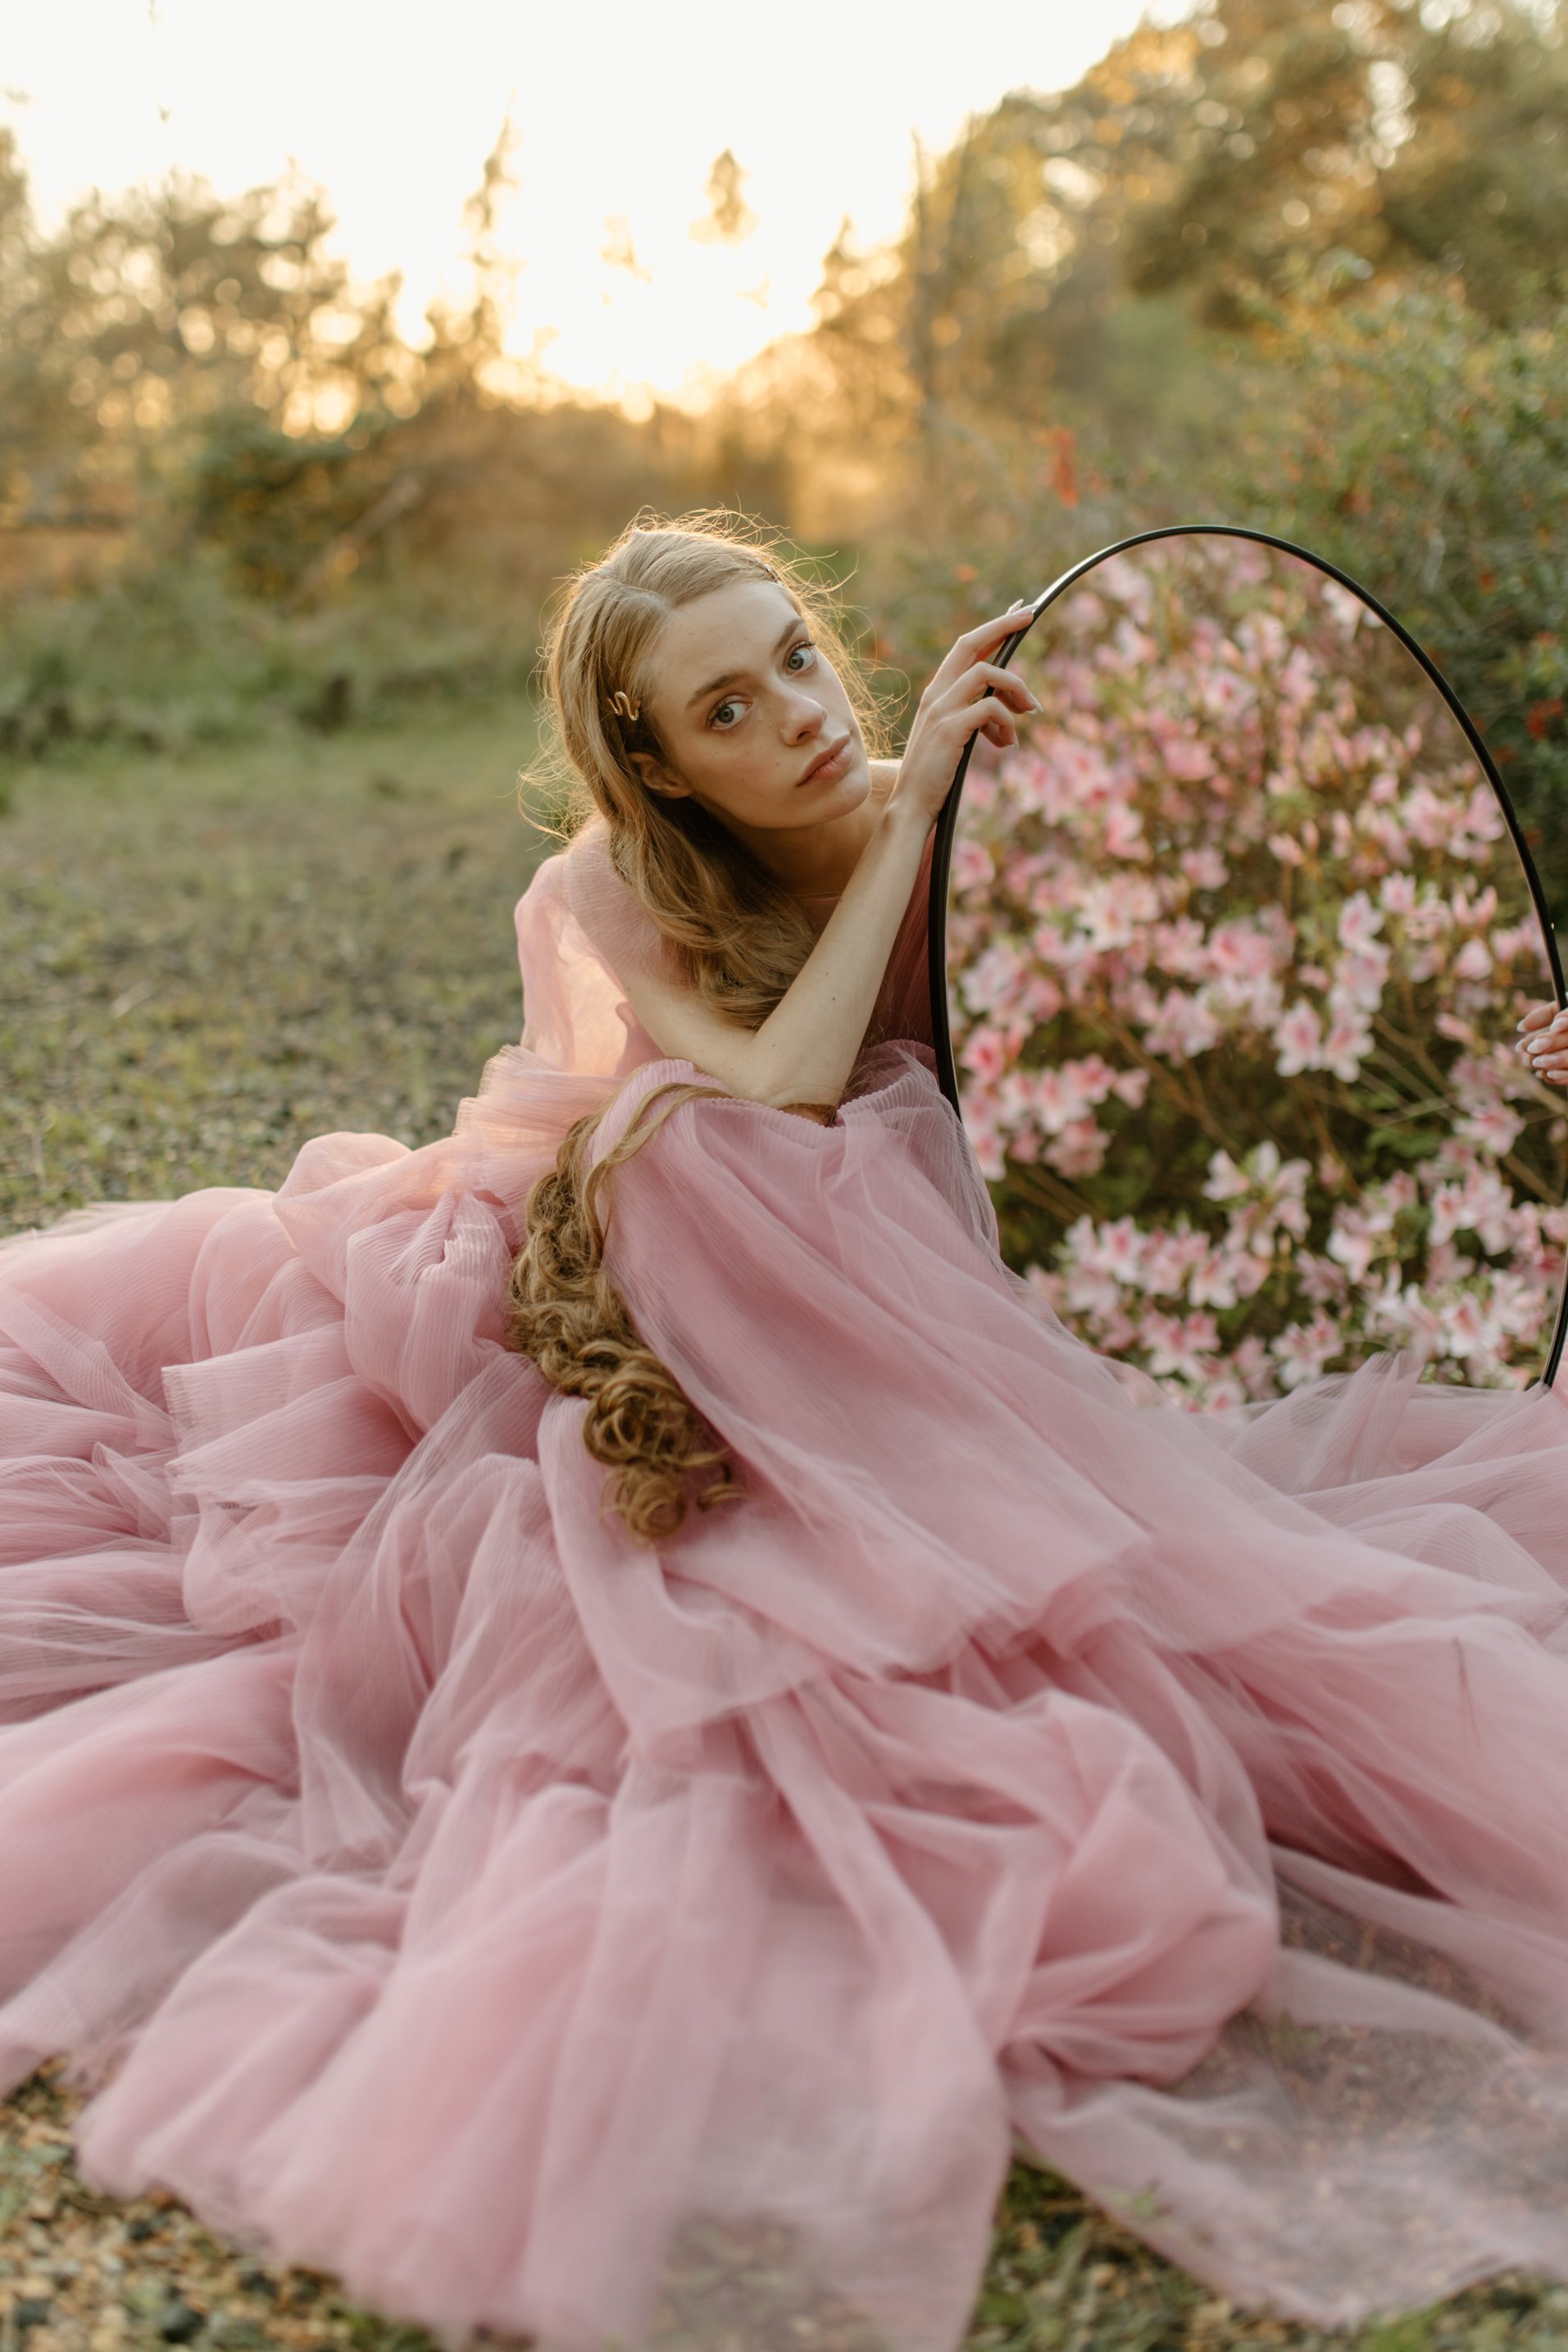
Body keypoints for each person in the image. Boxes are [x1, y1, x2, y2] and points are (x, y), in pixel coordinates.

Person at [6, 513, 1568, 2352]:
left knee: (799, 1163)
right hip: (599, 1288)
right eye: (728, 709)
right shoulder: (614, 879)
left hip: (872, 1313)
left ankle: (948, 1486)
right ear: (660, 762)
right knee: (707, 1146)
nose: (800, 720)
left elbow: (1231, 1002)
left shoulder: (985, 814)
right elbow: (775, 1085)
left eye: (798, 662)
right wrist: (901, 828)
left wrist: (1493, 1040)